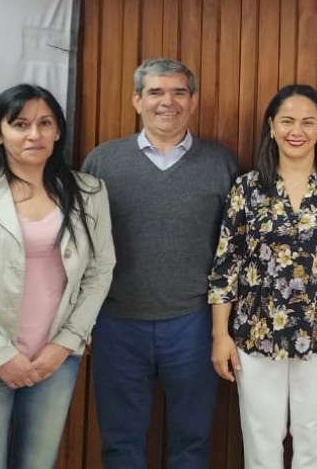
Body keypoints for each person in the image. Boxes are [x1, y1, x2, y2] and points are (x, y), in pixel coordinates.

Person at [0, 84, 115, 467]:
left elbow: (100, 271)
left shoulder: (89, 192)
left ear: (58, 131)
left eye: (45, 123)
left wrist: (65, 344)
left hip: (54, 360)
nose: (34, 134)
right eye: (20, 124)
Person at [207, 84, 317, 469]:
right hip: (255, 332)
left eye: (307, 121)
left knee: (314, 442)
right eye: (286, 120)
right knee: (261, 440)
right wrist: (221, 335)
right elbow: (226, 266)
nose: (295, 130)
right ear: (271, 127)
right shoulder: (248, 188)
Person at [81, 58, 238, 468]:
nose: (167, 102)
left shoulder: (220, 164)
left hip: (193, 323)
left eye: (178, 92)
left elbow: (233, 251)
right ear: (137, 100)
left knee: (192, 440)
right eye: (155, 92)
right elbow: (81, 248)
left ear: (193, 100)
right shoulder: (102, 162)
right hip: (117, 324)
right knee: (120, 442)